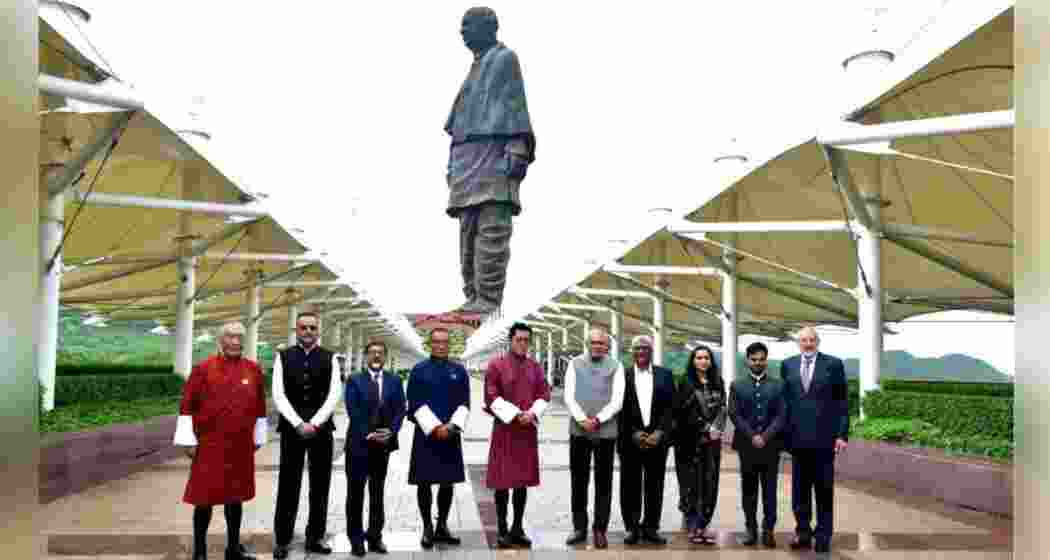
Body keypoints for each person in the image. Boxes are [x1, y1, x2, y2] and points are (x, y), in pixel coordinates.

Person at [445, 6, 536, 313]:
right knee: (468, 231)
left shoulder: (504, 58)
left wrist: (517, 146)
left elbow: (515, 105)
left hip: (494, 153)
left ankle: (488, 300)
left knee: (492, 229)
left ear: (489, 27)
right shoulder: (476, 65)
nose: (463, 31)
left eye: (468, 25)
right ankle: (472, 296)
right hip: (466, 159)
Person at [174, 322, 267, 560]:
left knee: (235, 498)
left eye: (239, 337)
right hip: (209, 445)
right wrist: (188, 441)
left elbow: (259, 406)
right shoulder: (203, 369)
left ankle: (233, 549)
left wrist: (258, 436)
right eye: (230, 337)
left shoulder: (253, 370)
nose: (235, 341)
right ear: (220, 339)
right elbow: (187, 405)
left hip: (240, 446)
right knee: (204, 499)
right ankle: (200, 553)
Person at [271, 311, 342, 559]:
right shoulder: (283, 357)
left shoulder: (331, 358)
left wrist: (315, 422)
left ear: (318, 331)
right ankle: (282, 539)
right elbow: (278, 394)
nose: (308, 332)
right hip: (292, 430)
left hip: (321, 431)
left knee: (320, 485)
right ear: (296, 331)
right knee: (288, 484)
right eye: (304, 328)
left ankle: (315, 538)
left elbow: (334, 394)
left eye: (312, 328)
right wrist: (298, 423)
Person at [781, 326, 849, 555]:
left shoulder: (833, 364)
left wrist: (841, 434)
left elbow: (842, 402)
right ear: (798, 343)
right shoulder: (787, 364)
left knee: (823, 490)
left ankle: (823, 536)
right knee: (799, 492)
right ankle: (802, 533)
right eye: (803, 340)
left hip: (824, 440)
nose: (807, 344)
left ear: (817, 342)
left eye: (811, 340)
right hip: (797, 440)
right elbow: (785, 403)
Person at [483, 322, 551, 548]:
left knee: (522, 483)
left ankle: (517, 528)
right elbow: (491, 396)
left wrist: (531, 414)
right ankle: (502, 529)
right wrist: (515, 414)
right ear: (510, 341)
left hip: (526, 432)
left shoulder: (535, 367)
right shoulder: (496, 365)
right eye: (519, 339)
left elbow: (544, 394)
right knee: (502, 483)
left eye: (526, 340)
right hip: (505, 430)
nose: (523, 343)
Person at [406, 328, 471, 548]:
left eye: (444, 342)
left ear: (449, 344)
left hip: (450, 434)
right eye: (436, 342)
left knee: (447, 482)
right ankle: (427, 527)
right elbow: (413, 403)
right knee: (423, 482)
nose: (441, 346)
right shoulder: (418, 370)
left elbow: (464, 403)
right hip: (426, 435)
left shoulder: (459, 371)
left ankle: (442, 525)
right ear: (429, 344)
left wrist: (451, 426)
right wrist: (434, 428)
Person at [563, 327, 625, 549]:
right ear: (587, 344)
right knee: (578, 480)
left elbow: (618, 400)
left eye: (602, 343)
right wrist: (582, 420)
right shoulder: (575, 364)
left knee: (603, 482)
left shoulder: (616, 367)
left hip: (606, 433)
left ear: (607, 346)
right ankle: (579, 527)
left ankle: (600, 529)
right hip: (579, 432)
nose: (597, 346)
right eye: (594, 342)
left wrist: (597, 420)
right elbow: (568, 396)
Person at [343, 340, 406, 556]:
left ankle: (375, 536)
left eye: (380, 353)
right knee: (355, 493)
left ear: (385, 356)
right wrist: (368, 433)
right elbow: (353, 410)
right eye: (372, 353)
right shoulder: (354, 380)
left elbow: (400, 409)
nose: (377, 356)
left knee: (377, 492)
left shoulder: (395, 381)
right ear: (366, 356)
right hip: (358, 445)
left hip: (383, 445)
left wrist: (392, 431)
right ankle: (356, 538)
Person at [617, 335, 674, 546]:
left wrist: (660, 432)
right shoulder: (622, 376)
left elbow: (670, 408)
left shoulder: (665, 375)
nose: (641, 352)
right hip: (630, 441)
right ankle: (632, 528)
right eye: (637, 348)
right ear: (631, 351)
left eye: (645, 348)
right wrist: (633, 432)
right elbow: (618, 409)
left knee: (655, 485)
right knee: (630, 485)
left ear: (651, 351)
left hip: (657, 442)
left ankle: (651, 528)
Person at [729, 341, 787, 548]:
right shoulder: (737, 385)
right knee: (749, 490)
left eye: (762, 359)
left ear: (766, 360)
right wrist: (753, 435)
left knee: (770, 490)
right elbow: (734, 414)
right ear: (747, 361)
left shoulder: (778, 385)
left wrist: (766, 436)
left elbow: (782, 414)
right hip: (747, 446)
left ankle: (768, 530)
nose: (758, 363)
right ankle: (751, 529)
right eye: (754, 359)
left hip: (771, 446)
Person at [673, 345, 727, 545]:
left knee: (710, 484)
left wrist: (717, 429)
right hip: (689, 443)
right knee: (691, 485)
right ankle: (693, 525)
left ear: (711, 361)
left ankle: (703, 525)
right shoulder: (685, 382)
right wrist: (706, 428)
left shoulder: (717, 381)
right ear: (693, 361)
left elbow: (723, 408)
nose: (703, 361)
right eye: (699, 357)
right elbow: (683, 412)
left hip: (712, 444)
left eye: (706, 357)